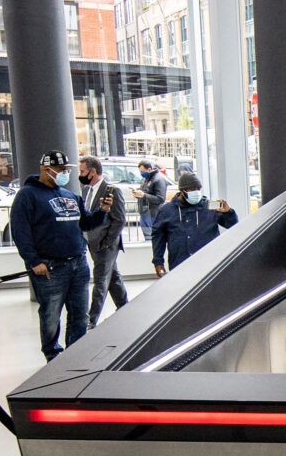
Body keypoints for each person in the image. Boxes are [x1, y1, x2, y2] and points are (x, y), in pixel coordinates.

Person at [10, 150, 112, 362]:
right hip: (50, 267)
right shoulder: (27, 196)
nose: (65, 173)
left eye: (67, 169)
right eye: (61, 169)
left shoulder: (69, 195)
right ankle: (53, 355)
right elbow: (20, 232)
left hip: (78, 263)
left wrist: (102, 211)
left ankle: (76, 353)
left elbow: (86, 223)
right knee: (51, 314)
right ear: (46, 169)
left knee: (79, 314)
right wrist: (33, 261)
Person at [151, 172, 238, 276]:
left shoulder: (210, 206)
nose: (196, 192)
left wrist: (228, 212)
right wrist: (158, 262)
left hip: (209, 264)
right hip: (180, 264)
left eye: (198, 189)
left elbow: (232, 225)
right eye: (191, 189)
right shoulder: (167, 210)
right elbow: (158, 237)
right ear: (182, 191)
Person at [78, 156, 129, 325]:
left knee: (100, 279)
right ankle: (124, 306)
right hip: (93, 243)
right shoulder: (86, 191)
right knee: (112, 276)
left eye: (83, 171)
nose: (80, 175)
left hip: (106, 244)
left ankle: (91, 320)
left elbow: (119, 219)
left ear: (92, 172)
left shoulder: (112, 191)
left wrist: (107, 241)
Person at [132, 160, 170, 238]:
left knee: (152, 237)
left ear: (149, 169)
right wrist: (137, 193)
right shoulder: (146, 178)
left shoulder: (159, 179)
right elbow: (145, 191)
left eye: (142, 171)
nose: (141, 174)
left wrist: (143, 195)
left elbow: (160, 199)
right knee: (147, 236)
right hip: (145, 212)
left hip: (153, 213)